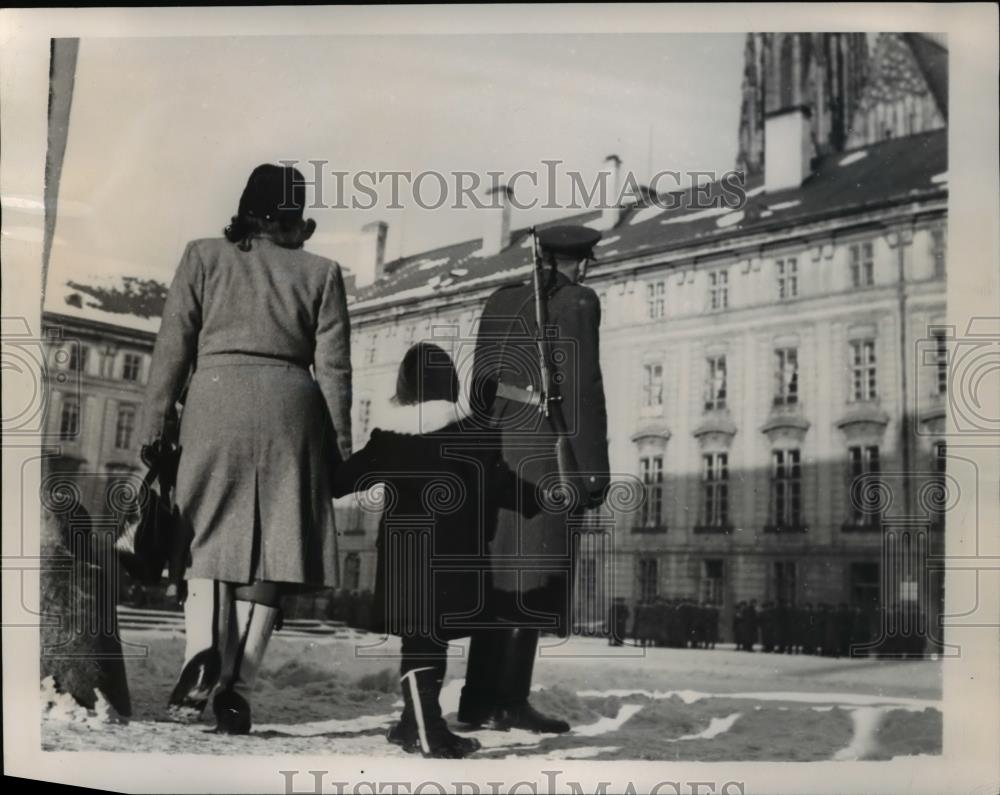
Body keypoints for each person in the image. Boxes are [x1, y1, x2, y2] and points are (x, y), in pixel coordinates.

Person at [143, 163, 352, 734]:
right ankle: (239, 686)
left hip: (216, 402)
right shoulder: (323, 272)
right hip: (293, 410)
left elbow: (172, 349)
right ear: (297, 216)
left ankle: (201, 658)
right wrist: (338, 452)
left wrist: (156, 424)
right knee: (276, 545)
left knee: (207, 537)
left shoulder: (203, 256)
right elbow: (335, 371)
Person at [332, 343, 543, 757]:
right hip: (457, 560)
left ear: (405, 387)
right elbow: (508, 488)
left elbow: (340, 482)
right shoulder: (473, 434)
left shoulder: (390, 439)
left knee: (419, 642)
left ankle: (416, 726)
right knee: (433, 643)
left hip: (406, 557)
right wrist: (551, 497)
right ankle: (427, 730)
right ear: (451, 384)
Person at [458, 225, 610, 734]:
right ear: (581, 263)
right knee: (533, 580)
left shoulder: (499, 301)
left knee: (501, 577)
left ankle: (477, 699)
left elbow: (478, 388)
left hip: (501, 449)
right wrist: (592, 475)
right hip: (547, 451)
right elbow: (585, 389)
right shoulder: (580, 302)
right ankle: (509, 699)